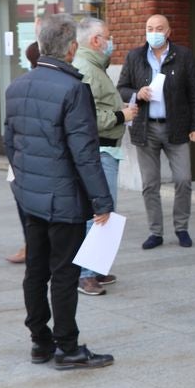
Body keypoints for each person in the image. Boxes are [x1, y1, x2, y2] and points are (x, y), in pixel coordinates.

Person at [5, 13, 115, 370]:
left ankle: (40, 341)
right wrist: (102, 200)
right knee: (65, 273)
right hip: (63, 196)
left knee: (36, 270)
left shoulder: (17, 86)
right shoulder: (74, 89)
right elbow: (85, 152)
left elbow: (11, 143)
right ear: (71, 49)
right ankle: (67, 346)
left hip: (30, 194)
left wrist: (24, 180)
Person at [116, 14, 195, 249]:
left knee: (183, 180)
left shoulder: (183, 55)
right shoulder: (135, 56)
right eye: (149, 28)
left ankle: (182, 227)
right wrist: (137, 93)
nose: (153, 32)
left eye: (158, 28)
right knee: (150, 184)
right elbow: (122, 88)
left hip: (176, 127)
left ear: (168, 32)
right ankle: (155, 232)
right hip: (146, 128)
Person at [73, 18, 137, 295]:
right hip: (99, 149)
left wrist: (117, 109)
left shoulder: (95, 67)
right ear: (96, 41)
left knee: (102, 211)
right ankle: (87, 274)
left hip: (106, 148)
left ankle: (95, 270)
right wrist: (122, 114)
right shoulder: (87, 68)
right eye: (109, 38)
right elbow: (87, 115)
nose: (113, 44)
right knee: (100, 212)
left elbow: (97, 105)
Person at [6, 41, 41, 266]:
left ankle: (31, 245)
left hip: (20, 155)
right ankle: (32, 246)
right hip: (32, 155)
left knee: (23, 201)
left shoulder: (16, 85)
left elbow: (7, 131)